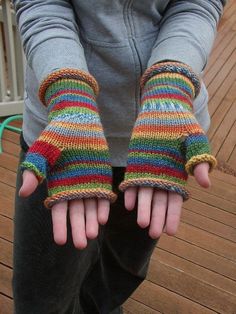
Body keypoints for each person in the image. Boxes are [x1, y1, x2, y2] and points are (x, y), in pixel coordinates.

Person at [12, 1, 225, 313]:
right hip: (62, 136)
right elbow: (41, 5)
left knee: (118, 277)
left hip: (161, 137)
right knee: (42, 293)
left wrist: (170, 84)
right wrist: (68, 91)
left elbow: (197, 4)